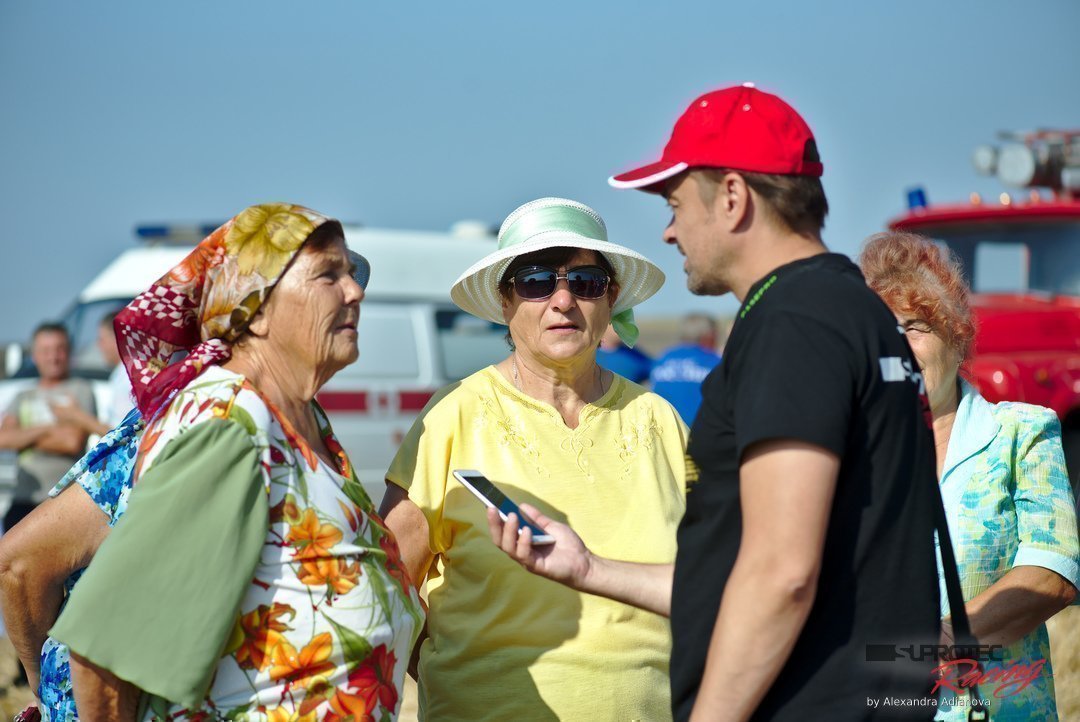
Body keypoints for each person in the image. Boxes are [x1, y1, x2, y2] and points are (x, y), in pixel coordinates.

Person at [491, 85, 944, 720]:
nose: (670, 230)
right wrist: (588, 568)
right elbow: (753, 573)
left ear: (732, 197)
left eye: (676, 203)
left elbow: (781, 573)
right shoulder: (854, 309)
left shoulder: (793, 323)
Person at [32, 203, 421, 721]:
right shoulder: (229, 425)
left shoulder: (299, 422)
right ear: (253, 310)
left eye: (354, 273)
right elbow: (104, 656)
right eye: (329, 273)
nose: (355, 291)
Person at [379, 197, 688, 720]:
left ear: (610, 298)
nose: (563, 300)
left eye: (585, 283)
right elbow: (388, 580)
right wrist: (443, 670)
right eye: (538, 280)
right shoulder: (454, 415)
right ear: (505, 301)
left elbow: (720, 577)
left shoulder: (659, 419)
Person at [860, 231, 1079, 721]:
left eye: (914, 327)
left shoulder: (1019, 432)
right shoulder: (854, 453)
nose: (899, 348)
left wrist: (941, 642)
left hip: (996, 708)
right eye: (884, 334)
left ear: (957, 336)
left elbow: (1053, 572)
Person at [0, 323, 96, 531]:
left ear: (69, 352)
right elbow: (4, 440)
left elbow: (71, 442)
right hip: (22, 500)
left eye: (60, 349)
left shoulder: (80, 390)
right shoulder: (22, 395)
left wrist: (23, 437)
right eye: (45, 351)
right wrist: (47, 429)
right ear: (34, 355)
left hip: (61, 501)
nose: (53, 357)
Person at [48, 313, 133, 439]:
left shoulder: (127, 378)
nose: (99, 345)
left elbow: (124, 435)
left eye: (101, 339)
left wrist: (75, 415)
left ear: (118, 338)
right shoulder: (122, 375)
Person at [648, 313, 723, 423]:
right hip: (700, 432)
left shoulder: (662, 359)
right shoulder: (714, 362)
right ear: (708, 335)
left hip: (664, 430)